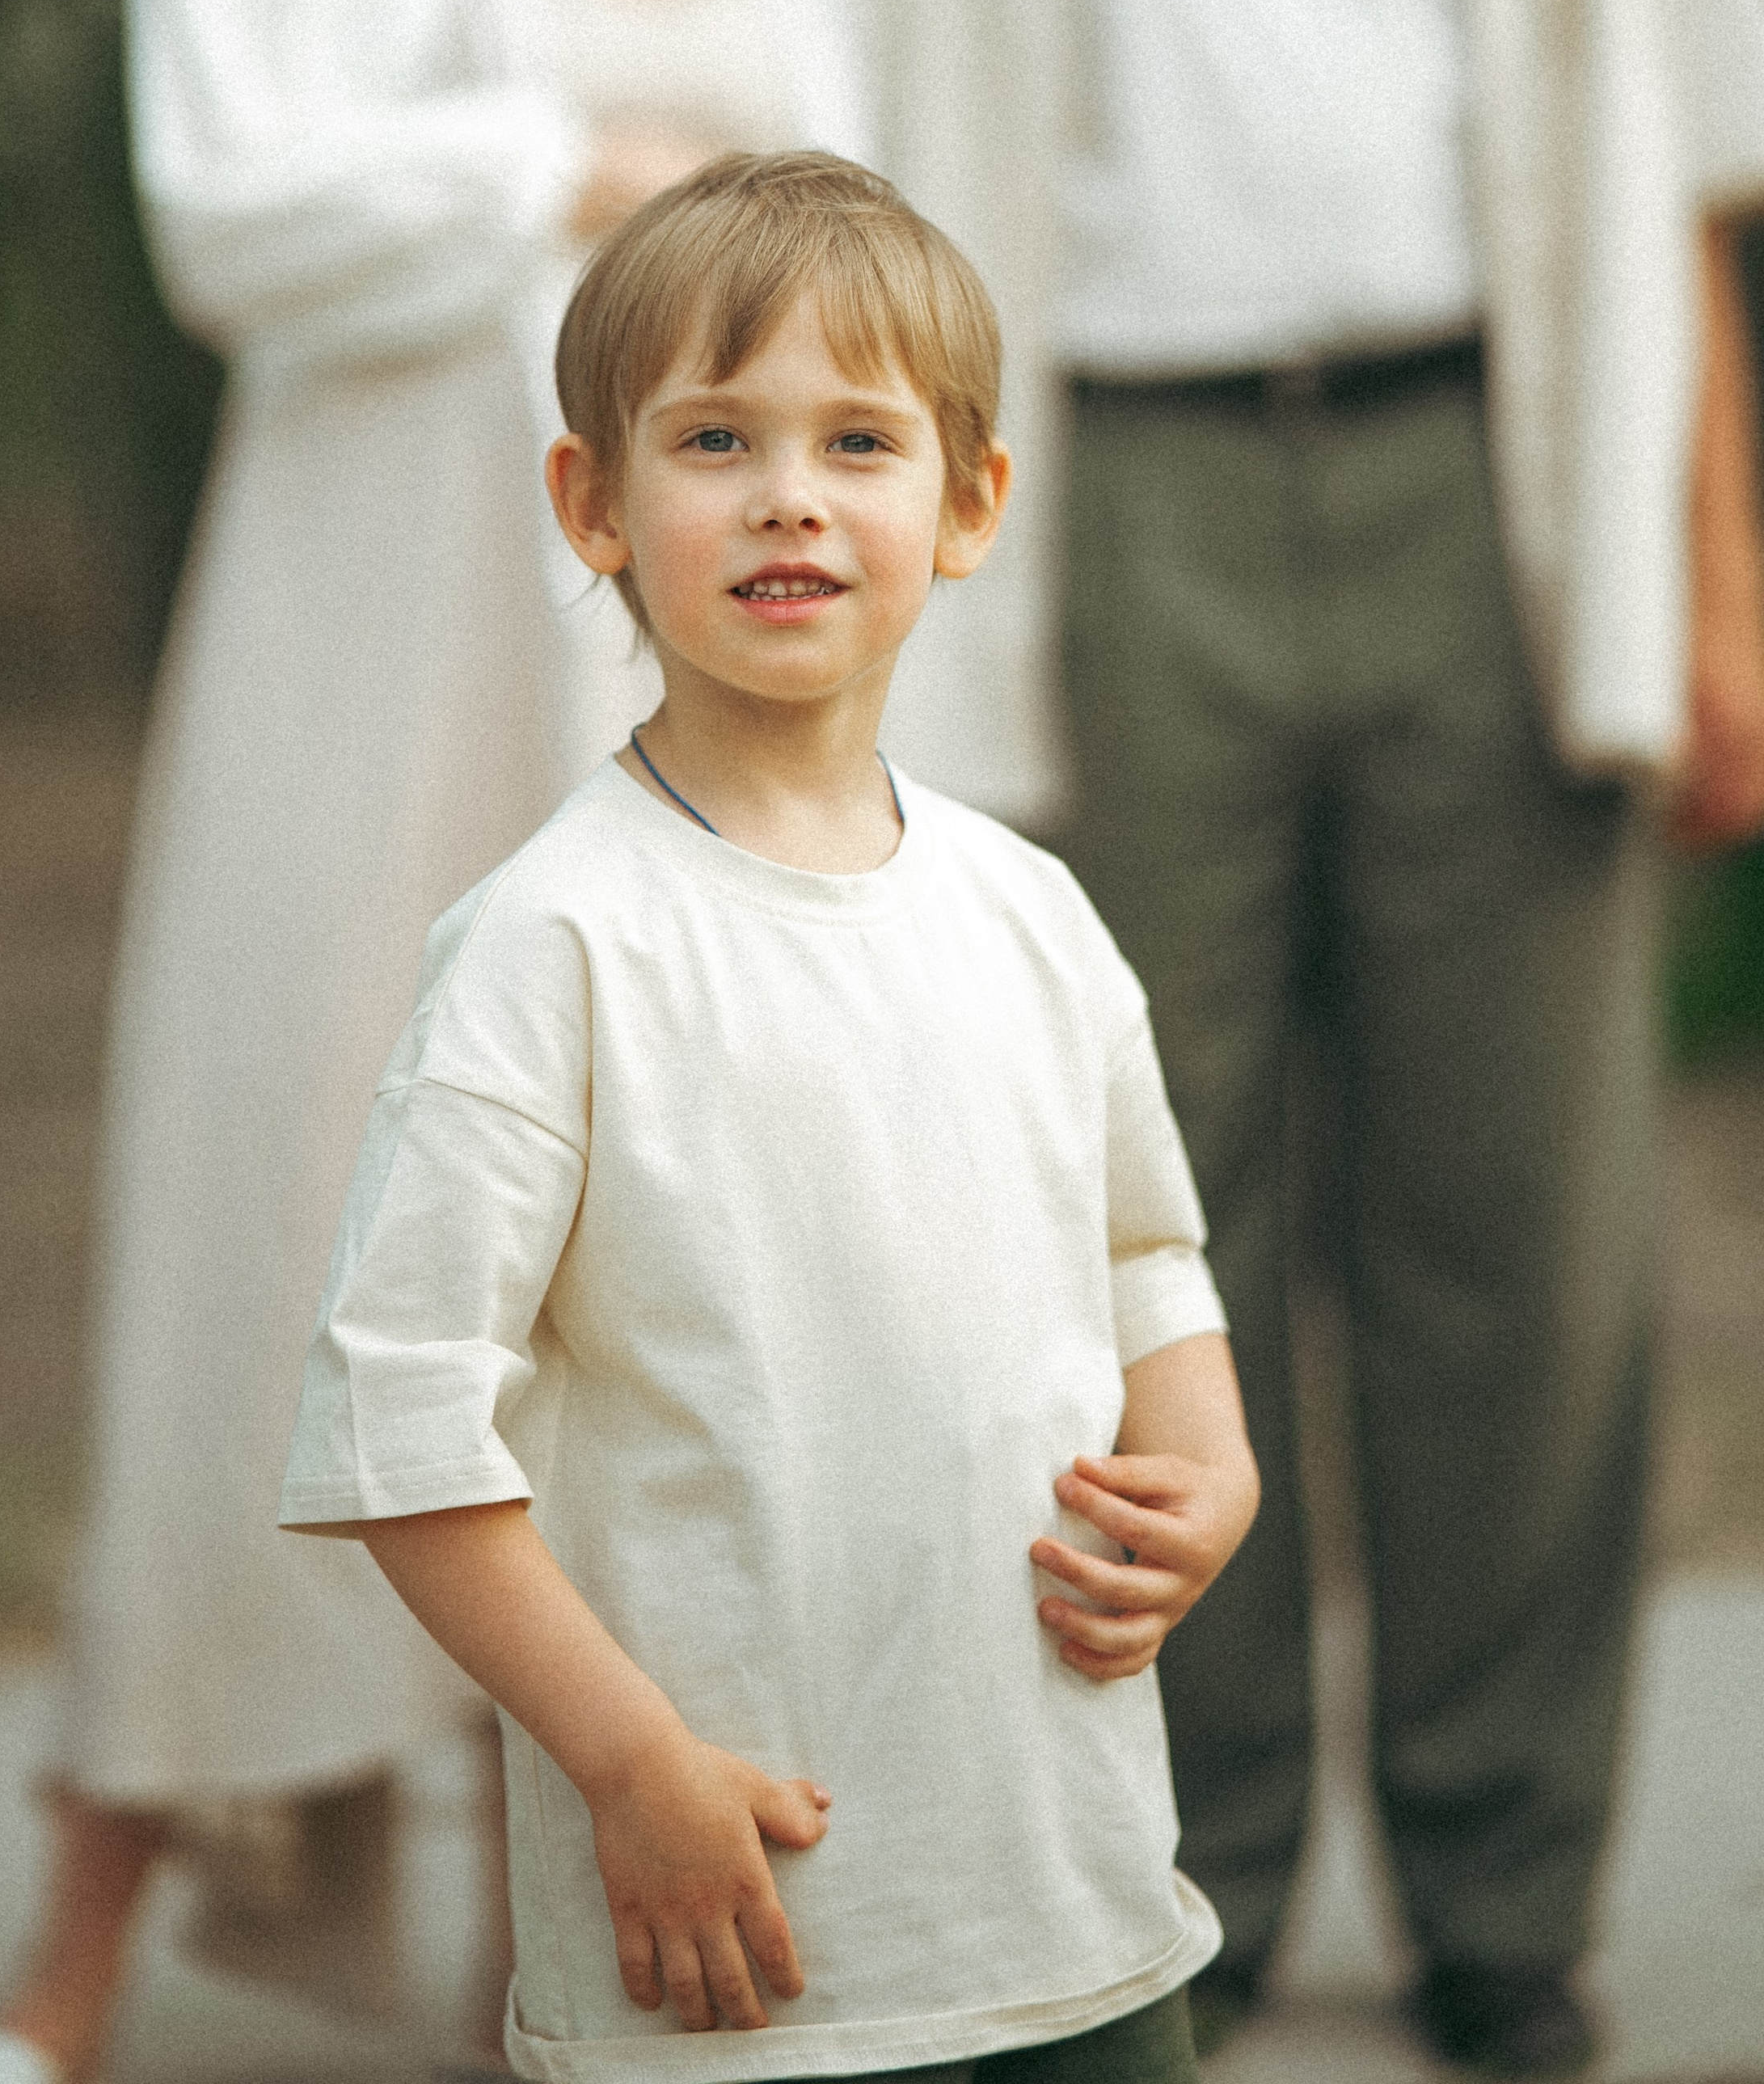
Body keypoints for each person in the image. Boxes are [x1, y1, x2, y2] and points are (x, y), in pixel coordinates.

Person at [0, 0, 860, 2084]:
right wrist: (582, 154)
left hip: (675, 676)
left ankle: (556, 1989)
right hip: (361, 645)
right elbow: (237, 212)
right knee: (285, 1247)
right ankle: (64, 1984)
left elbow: (851, 259)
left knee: (664, 1290)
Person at [854, 0, 1764, 2078]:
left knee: (1530, 1239)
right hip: (1112, 504)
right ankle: (1188, 1878)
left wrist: (1722, 588)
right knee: (1143, 1221)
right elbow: (867, 218)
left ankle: (1508, 1891)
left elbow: (1691, 203)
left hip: (1498, 486)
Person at [279, 148, 1260, 2084]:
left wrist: (1210, 1468)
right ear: (595, 504)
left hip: (1072, 1907)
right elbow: (393, 1415)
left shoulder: (1028, 912)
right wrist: (627, 1764)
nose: (788, 493)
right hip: (734, 1943)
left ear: (968, 503)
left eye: (857, 441)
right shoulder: (550, 946)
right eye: (714, 437)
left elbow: (1144, 1240)